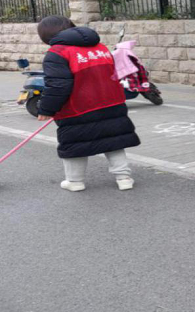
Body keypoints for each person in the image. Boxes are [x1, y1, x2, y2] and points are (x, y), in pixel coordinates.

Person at [36, 16, 141, 192]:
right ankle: (124, 178)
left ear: (45, 35)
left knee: (74, 144)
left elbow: (58, 85)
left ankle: (75, 181)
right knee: (114, 140)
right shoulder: (100, 47)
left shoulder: (57, 53)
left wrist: (46, 109)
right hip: (111, 103)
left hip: (78, 108)